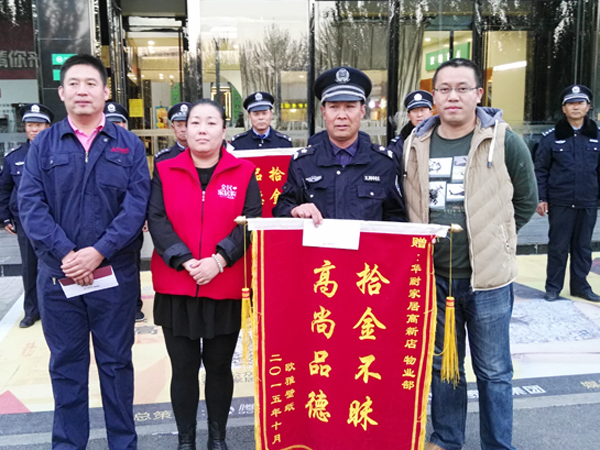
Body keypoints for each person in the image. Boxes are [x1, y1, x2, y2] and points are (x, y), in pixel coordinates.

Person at [402, 58, 538, 450]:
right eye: (444, 89)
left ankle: (497, 444)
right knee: (444, 369)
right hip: (434, 279)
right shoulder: (414, 144)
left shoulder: (504, 140)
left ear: (479, 94)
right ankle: (447, 439)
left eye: (463, 88)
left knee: (494, 371)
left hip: (487, 281)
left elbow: (526, 200)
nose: (453, 96)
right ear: (434, 96)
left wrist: (498, 239)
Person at [18, 54, 150, 449]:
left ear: (105, 92)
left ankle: (122, 443)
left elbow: (136, 207)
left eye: (91, 83)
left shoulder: (129, 145)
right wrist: (68, 255)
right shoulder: (44, 145)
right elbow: (31, 206)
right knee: (66, 368)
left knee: (116, 365)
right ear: (61, 92)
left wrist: (99, 252)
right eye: (73, 83)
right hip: (59, 279)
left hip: (114, 277)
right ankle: (68, 444)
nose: (82, 91)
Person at [148, 99, 261, 450]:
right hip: (177, 286)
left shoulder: (244, 172)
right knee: (182, 369)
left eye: (211, 123)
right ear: (184, 128)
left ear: (223, 130)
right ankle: (186, 440)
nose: (201, 129)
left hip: (224, 286)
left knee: (219, 367)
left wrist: (220, 260)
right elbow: (157, 219)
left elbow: (251, 222)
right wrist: (183, 259)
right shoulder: (165, 169)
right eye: (195, 122)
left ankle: (217, 438)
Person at [273, 66, 405, 223]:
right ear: (324, 112)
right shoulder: (302, 163)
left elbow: (396, 218)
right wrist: (294, 210)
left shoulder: (383, 162)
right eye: (334, 107)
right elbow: (282, 208)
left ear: (362, 111)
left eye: (350, 107)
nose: (342, 116)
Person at [534, 85, 600, 302]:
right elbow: (541, 170)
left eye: (580, 103)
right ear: (563, 109)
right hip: (560, 201)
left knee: (583, 247)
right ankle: (553, 287)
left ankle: (580, 286)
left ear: (588, 107)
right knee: (558, 246)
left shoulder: (597, 136)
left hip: (588, 200)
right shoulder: (551, 138)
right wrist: (541, 198)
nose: (576, 107)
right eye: (571, 103)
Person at [0, 103, 53, 328]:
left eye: (39, 125)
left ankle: (56, 309)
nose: (34, 129)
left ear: (48, 127)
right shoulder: (14, 157)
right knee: (30, 267)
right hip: (26, 222)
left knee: (57, 265)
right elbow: (4, 189)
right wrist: (5, 217)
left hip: (55, 221)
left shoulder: (58, 153)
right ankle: (32, 311)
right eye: (30, 125)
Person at [103, 101, 147, 320]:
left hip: (127, 227)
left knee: (131, 267)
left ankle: (135, 305)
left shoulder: (133, 147)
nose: (116, 126)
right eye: (111, 122)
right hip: (101, 227)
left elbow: (139, 192)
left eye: (119, 122)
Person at [387, 89, 433, 159]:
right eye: (414, 111)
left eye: (422, 110)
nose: (419, 115)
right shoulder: (401, 140)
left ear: (431, 113)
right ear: (409, 116)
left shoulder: (439, 134)